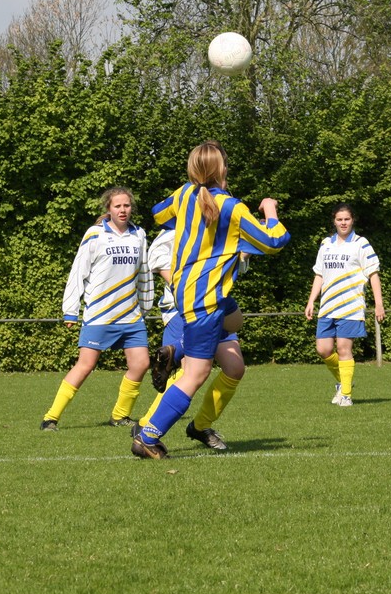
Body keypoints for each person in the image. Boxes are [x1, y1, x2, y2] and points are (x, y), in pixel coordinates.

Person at [131, 141, 290, 459]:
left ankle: (179, 350)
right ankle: (147, 437)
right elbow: (274, 240)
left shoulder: (184, 194)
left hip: (190, 291)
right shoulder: (231, 207)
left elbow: (158, 213)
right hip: (206, 299)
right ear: (222, 169)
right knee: (196, 374)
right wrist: (270, 210)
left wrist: (191, 220)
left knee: (235, 321)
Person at [40, 187, 155, 431]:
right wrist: (70, 309)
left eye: (126, 205)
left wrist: (146, 306)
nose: (122, 210)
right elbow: (78, 272)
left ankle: (120, 416)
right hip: (100, 315)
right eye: (117, 206)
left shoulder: (139, 234)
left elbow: (144, 272)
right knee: (85, 366)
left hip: (131, 316)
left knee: (141, 364)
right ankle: (51, 418)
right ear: (108, 208)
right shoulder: (95, 234)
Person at [139, 227, 252, 450]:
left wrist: (244, 250)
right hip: (185, 308)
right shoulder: (174, 229)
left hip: (217, 303)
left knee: (235, 368)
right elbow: (164, 266)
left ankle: (200, 426)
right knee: (191, 372)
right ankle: (146, 426)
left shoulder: (221, 227)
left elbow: (234, 268)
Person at [304, 203, 385, 406]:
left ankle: (346, 395)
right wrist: (311, 301)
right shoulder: (326, 244)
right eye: (339, 219)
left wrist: (379, 303)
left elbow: (373, 274)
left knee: (343, 348)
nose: (343, 223)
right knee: (323, 349)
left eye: (346, 219)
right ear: (334, 221)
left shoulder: (361, 244)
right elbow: (319, 274)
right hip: (327, 306)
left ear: (352, 220)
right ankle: (343, 382)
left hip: (350, 306)